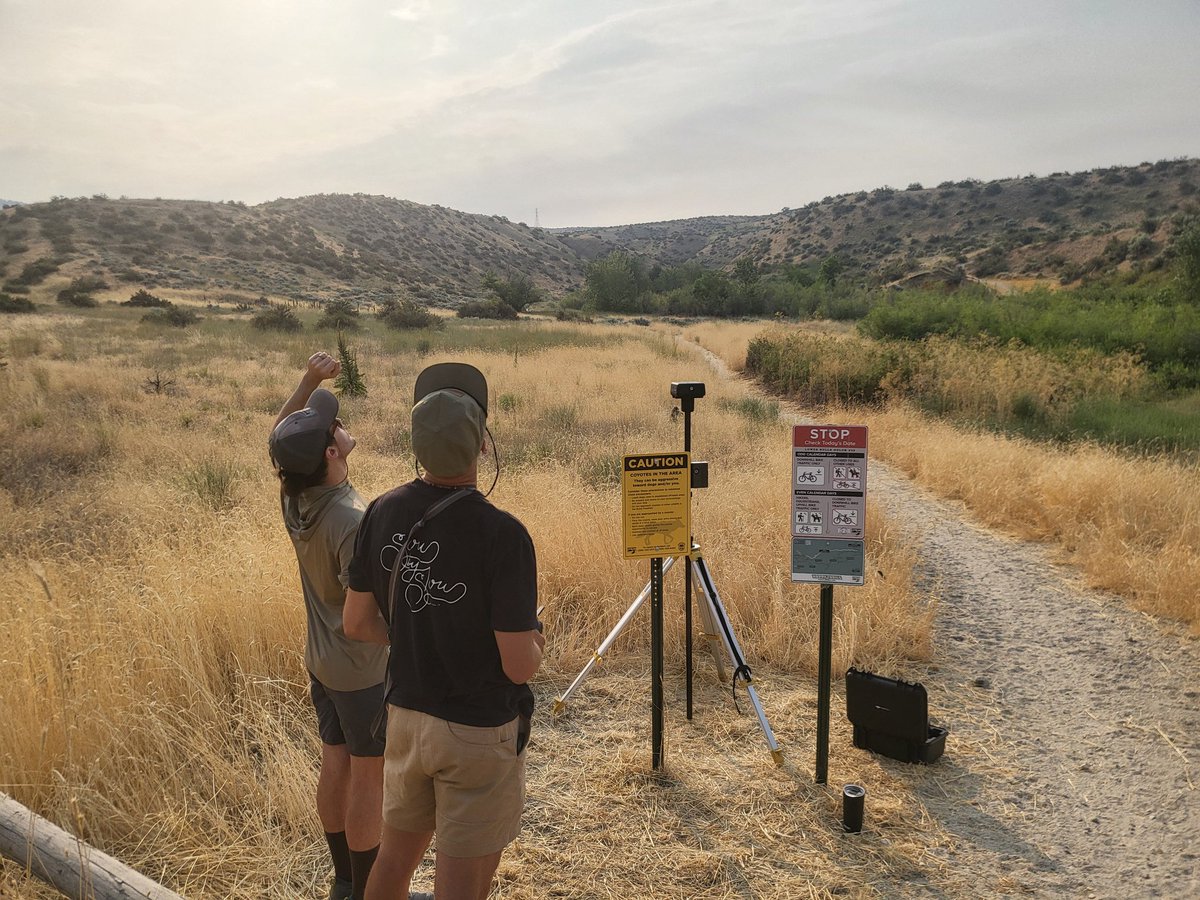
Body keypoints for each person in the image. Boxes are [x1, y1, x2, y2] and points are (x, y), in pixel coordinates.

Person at [343, 362, 544, 900]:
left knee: (394, 859)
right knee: (461, 881)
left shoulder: (380, 511)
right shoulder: (504, 535)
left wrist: (417, 633)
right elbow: (518, 666)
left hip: (405, 718)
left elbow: (356, 623)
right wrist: (537, 641)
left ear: (416, 445)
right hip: (476, 730)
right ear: (483, 446)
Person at [270, 351, 389, 900]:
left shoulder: (294, 495)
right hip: (360, 670)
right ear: (330, 452)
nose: (340, 423)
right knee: (369, 775)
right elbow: (362, 622)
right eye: (333, 425)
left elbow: (281, 439)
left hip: (321, 661)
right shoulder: (352, 519)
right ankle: (365, 891)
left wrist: (310, 380)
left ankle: (343, 880)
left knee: (335, 761)